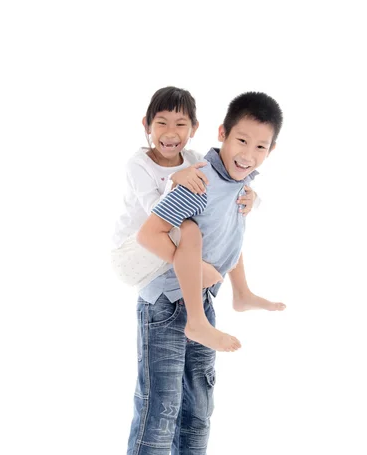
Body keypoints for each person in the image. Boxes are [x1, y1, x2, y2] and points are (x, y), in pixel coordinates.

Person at [107, 91, 285, 455]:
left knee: (199, 400)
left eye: (261, 147)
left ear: (271, 151)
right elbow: (149, 234)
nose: (248, 153)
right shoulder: (198, 179)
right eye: (241, 140)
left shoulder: (238, 186)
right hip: (166, 302)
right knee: (160, 405)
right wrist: (205, 273)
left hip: (202, 301)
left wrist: (225, 282)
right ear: (221, 134)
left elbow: (230, 235)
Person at [111, 87, 283, 354]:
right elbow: (157, 214)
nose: (170, 133)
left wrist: (252, 199)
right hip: (134, 250)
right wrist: (174, 181)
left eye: (180, 124)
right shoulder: (139, 165)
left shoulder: (192, 159)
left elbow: (219, 195)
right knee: (191, 227)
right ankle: (196, 320)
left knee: (223, 214)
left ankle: (242, 292)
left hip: (162, 245)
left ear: (194, 129)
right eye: (161, 123)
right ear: (147, 125)